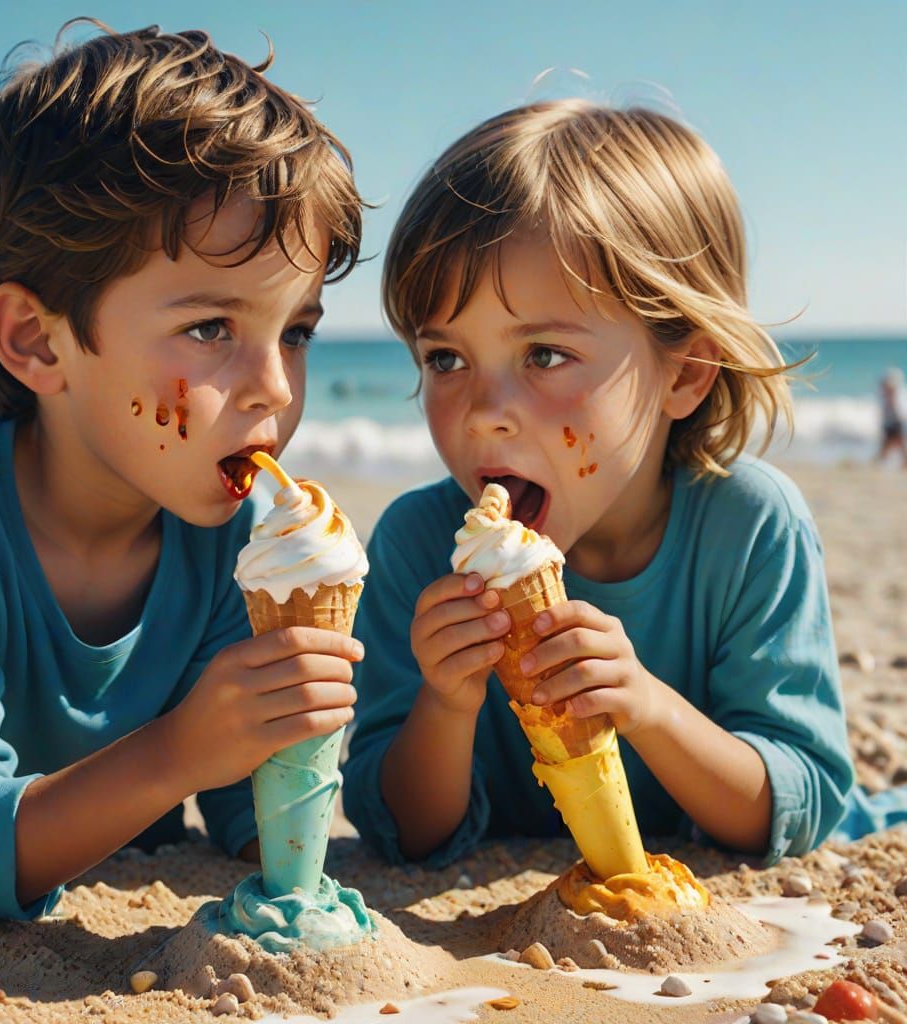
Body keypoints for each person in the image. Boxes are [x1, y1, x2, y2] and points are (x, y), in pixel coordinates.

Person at [0, 22, 365, 922]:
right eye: (212, 328)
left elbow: (245, 820)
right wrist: (182, 751)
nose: (274, 388)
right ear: (36, 339)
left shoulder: (235, 541)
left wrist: (299, 725)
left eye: (294, 332)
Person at [343, 100, 855, 868]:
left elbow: (792, 806)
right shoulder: (418, 545)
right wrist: (446, 705)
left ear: (683, 373)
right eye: (445, 359)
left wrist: (646, 706)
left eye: (544, 354)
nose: (484, 415)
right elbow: (403, 832)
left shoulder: (748, 528)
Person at [875, 366, 906, 467]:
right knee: (886, 447)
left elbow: (900, 412)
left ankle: (903, 464)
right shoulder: (884, 397)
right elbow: (883, 413)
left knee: (901, 446)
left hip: (897, 423)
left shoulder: (898, 396)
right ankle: (879, 464)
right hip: (890, 424)